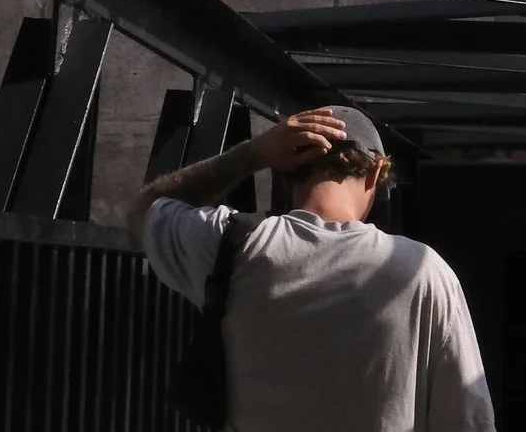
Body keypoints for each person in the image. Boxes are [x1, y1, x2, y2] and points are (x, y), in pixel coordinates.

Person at [129, 105, 495, 432]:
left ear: (285, 172)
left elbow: (144, 211)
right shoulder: (423, 272)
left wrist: (253, 153)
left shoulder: (233, 245)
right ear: (375, 172)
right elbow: (468, 418)